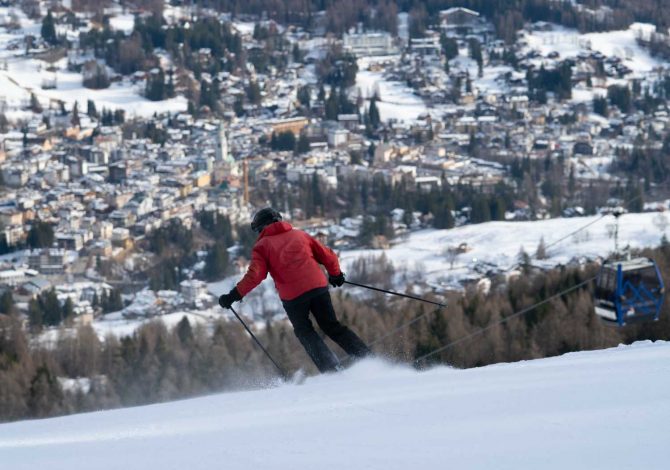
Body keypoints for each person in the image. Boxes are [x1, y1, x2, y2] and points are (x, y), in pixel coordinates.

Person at [218, 208, 370, 373]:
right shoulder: (300, 235)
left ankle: (332, 369)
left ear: (261, 228)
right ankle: (367, 358)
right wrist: (336, 275)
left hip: (293, 297)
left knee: (305, 332)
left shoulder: (262, 246)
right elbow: (329, 256)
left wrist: (234, 295)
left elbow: (255, 275)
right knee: (332, 326)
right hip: (318, 287)